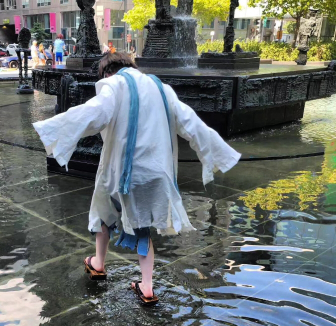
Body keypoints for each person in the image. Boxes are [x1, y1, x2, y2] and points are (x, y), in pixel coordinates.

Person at [32, 53, 241, 305]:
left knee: (103, 211)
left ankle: (98, 264)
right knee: (142, 229)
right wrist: (219, 152)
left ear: (107, 72)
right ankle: (147, 287)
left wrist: (52, 129)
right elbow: (190, 122)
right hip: (156, 173)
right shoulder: (162, 88)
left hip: (122, 171)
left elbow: (94, 113)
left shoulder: (114, 84)